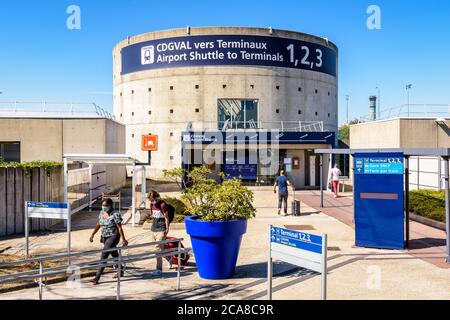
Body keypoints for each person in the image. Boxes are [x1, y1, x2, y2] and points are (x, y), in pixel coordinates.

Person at [89, 198, 128, 285]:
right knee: (114, 254)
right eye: (103, 205)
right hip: (104, 237)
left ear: (110, 205)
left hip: (113, 236)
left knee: (104, 255)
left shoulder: (115, 214)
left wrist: (123, 239)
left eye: (106, 205)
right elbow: (98, 224)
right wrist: (92, 234)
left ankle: (97, 277)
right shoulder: (101, 213)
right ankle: (120, 271)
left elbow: (119, 228)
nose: (104, 207)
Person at [147, 190, 172, 276]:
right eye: (150, 200)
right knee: (158, 249)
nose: (152, 201)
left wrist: (167, 229)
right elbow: (153, 216)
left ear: (156, 197)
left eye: (152, 199)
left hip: (161, 229)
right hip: (153, 229)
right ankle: (169, 258)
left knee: (157, 250)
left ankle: (159, 269)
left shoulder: (162, 205)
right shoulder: (152, 205)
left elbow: (166, 217)